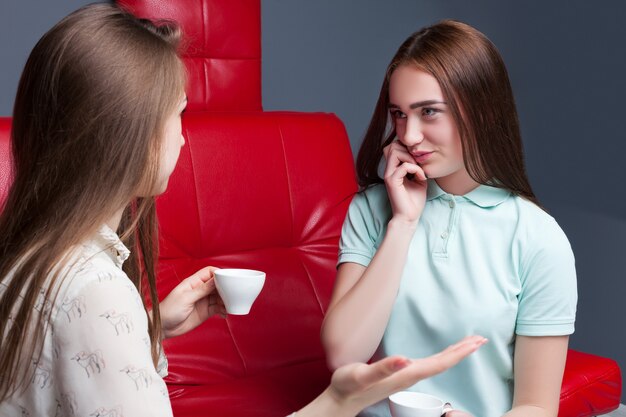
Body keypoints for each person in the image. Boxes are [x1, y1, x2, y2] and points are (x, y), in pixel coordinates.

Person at [0, 5, 486, 416]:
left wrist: (149, 327)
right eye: (179, 114)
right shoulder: (97, 288)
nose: (184, 135)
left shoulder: (34, 256)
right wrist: (335, 403)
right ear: (131, 136)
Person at [321, 20, 577, 417]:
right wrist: (402, 225)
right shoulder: (372, 210)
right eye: (399, 114)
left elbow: (537, 406)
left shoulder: (539, 238)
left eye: (428, 112)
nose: (409, 135)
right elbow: (343, 354)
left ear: (484, 112)